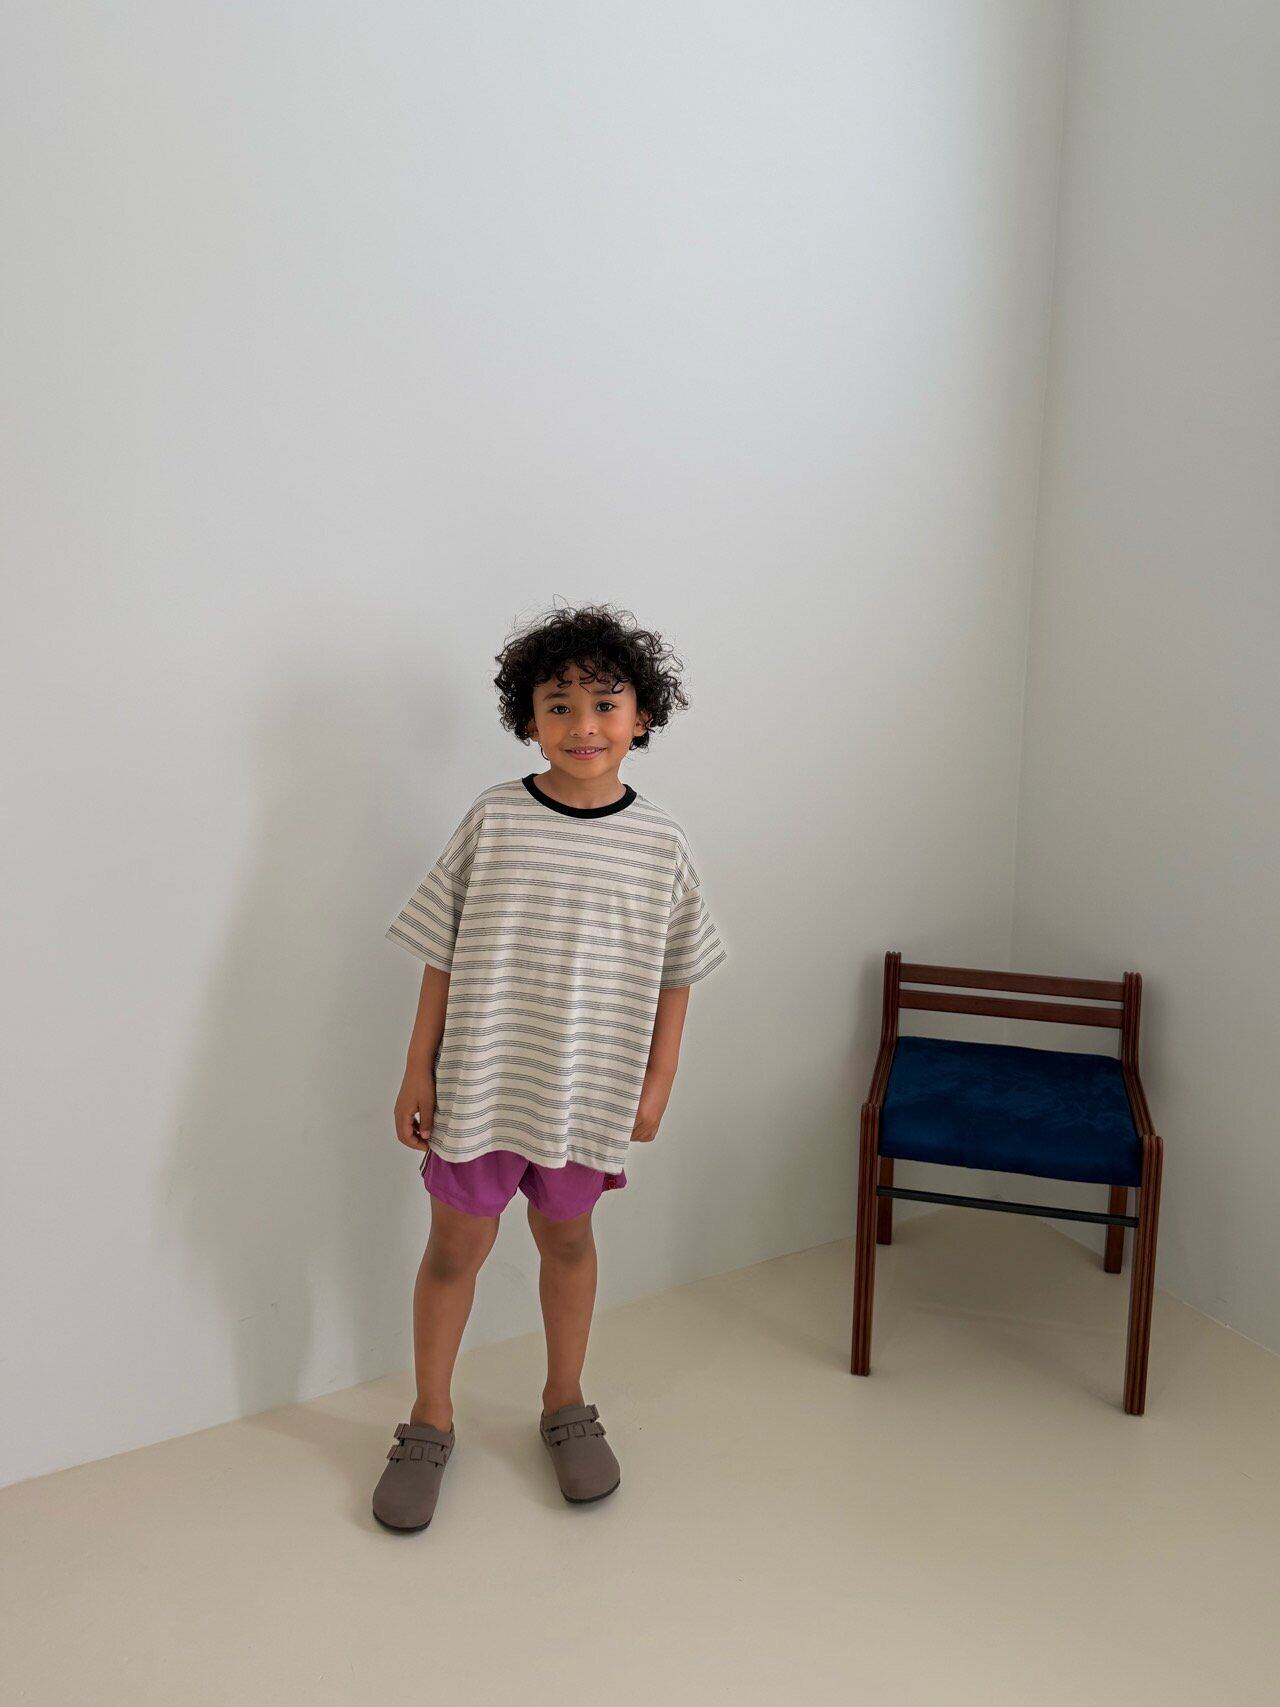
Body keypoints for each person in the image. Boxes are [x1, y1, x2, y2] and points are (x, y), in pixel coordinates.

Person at [371, 601, 729, 1530]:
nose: (583, 725)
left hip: (585, 1090)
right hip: (482, 1082)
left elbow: (679, 970)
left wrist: (659, 1081)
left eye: (606, 704)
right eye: (559, 705)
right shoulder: (494, 818)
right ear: (528, 718)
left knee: (567, 1242)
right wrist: (417, 1068)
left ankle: (564, 1401)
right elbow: (441, 950)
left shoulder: (661, 843)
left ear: (642, 716)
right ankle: (429, 1417)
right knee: (455, 1248)